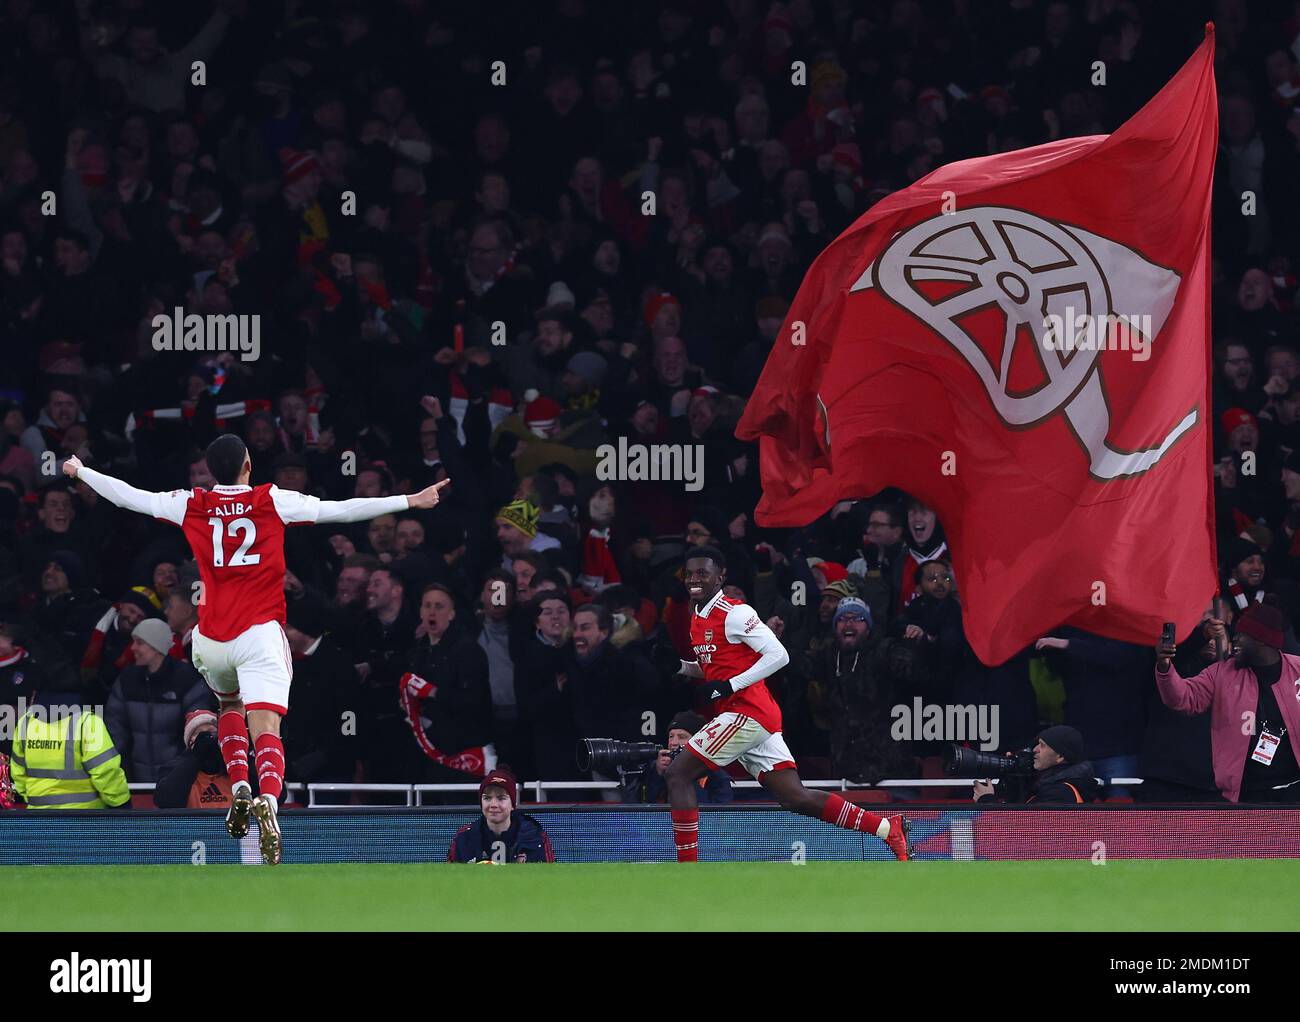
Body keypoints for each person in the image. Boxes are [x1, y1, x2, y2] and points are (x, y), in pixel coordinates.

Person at [62, 434, 449, 864]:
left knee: (229, 704)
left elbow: (131, 497)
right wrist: (410, 500)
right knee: (266, 726)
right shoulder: (271, 500)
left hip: (210, 638)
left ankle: (239, 786)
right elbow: (338, 510)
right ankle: (268, 798)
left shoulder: (193, 504)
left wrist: (82, 472)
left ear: (211, 471)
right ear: (248, 464)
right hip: (258, 632)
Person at [663, 546, 912, 861]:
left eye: (703, 573)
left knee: (677, 774)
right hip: (750, 716)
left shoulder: (736, 613)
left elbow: (779, 656)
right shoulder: (697, 616)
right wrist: (682, 667)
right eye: (691, 573)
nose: (694, 579)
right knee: (796, 797)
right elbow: (716, 669)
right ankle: (887, 828)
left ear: (720, 577)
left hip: (747, 713)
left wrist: (730, 686)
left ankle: (686, 869)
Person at [1155, 603, 1300, 803]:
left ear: (1262, 641)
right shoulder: (1222, 672)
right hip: (1244, 795)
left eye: (1242, 635)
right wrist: (1164, 667)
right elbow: (1182, 698)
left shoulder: (1297, 670)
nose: (1235, 640)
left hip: (1293, 792)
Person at [9, 692, 129, 809]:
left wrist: (36, 799)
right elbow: (106, 770)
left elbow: (18, 773)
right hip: (84, 821)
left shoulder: (25, 722)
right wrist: (120, 802)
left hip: (39, 820)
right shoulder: (87, 722)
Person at [447, 766, 555, 863]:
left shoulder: (535, 836)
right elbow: (450, 879)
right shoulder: (464, 837)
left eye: (501, 798)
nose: (493, 805)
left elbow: (550, 878)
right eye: (487, 798)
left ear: (513, 804)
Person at [624, 710, 732, 804]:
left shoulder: (716, 775)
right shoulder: (653, 769)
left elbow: (718, 816)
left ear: (698, 741)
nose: (673, 743)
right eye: (671, 736)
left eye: (681, 737)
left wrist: (687, 773)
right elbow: (642, 807)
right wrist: (657, 775)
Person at [972, 726, 1102, 804]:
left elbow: (1026, 833)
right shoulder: (1046, 783)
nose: (1035, 749)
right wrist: (1014, 778)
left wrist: (987, 800)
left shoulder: (1062, 791)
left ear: (1060, 757)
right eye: (1037, 744)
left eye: (1043, 746)